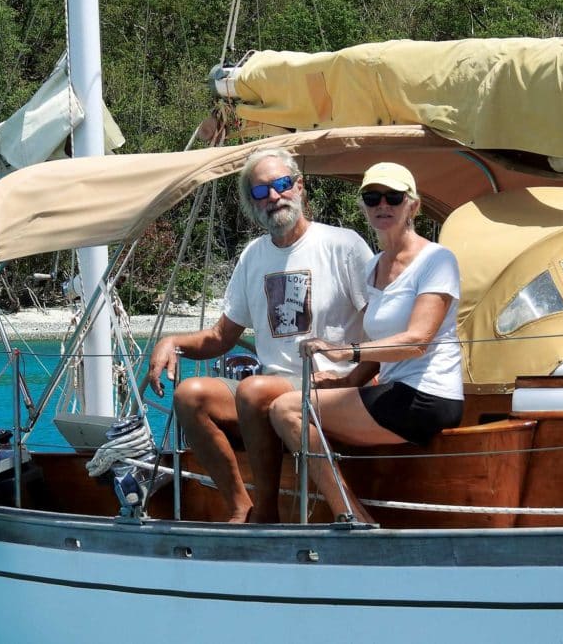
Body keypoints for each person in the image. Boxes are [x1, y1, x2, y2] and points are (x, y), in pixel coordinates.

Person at [146, 148, 375, 523]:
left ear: (299, 186)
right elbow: (221, 336)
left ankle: (266, 512)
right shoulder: (253, 256)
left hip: (332, 384)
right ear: (252, 202)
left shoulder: (343, 245)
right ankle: (240, 506)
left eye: (282, 184)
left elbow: (378, 325)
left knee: (254, 389)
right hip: (273, 385)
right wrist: (170, 342)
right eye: (260, 191)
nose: (273, 196)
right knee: (190, 395)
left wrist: (358, 376)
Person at [266, 161, 464, 525]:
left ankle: (351, 516)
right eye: (372, 198)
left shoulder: (437, 260)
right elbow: (379, 343)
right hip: (395, 392)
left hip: (427, 397)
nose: (382, 205)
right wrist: (347, 380)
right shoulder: (373, 267)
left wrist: (346, 351)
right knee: (290, 403)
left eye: (393, 197)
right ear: (364, 207)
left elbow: (417, 341)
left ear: (413, 205)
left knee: (286, 409)